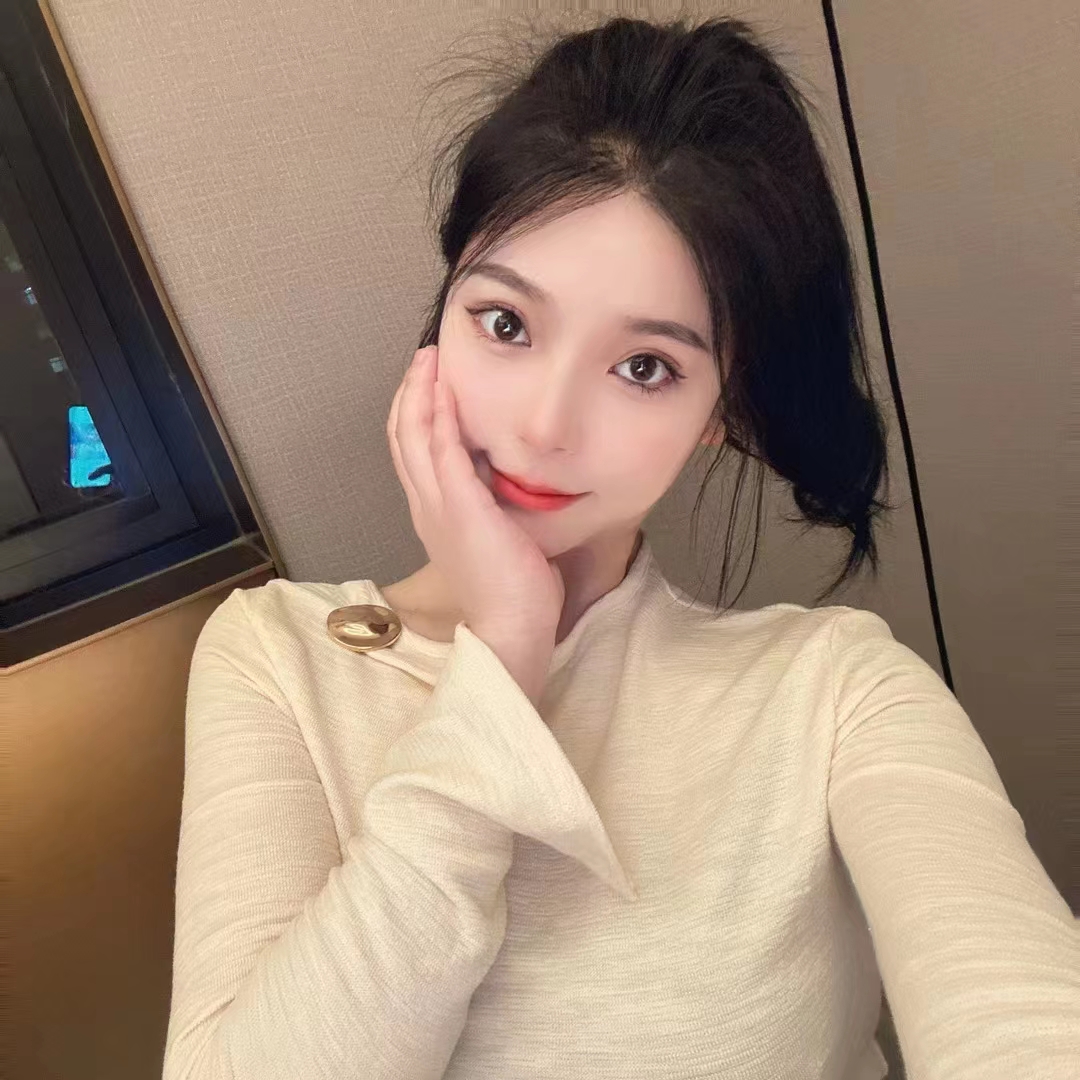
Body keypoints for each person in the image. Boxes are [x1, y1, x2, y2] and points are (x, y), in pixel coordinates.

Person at [162, 13, 1077, 1080]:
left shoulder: (837, 692)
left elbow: (1017, 1018)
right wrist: (504, 647)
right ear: (444, 314)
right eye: (506, 322)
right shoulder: (274, 656)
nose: (544, 425)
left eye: (646, 367)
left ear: (721, 410)